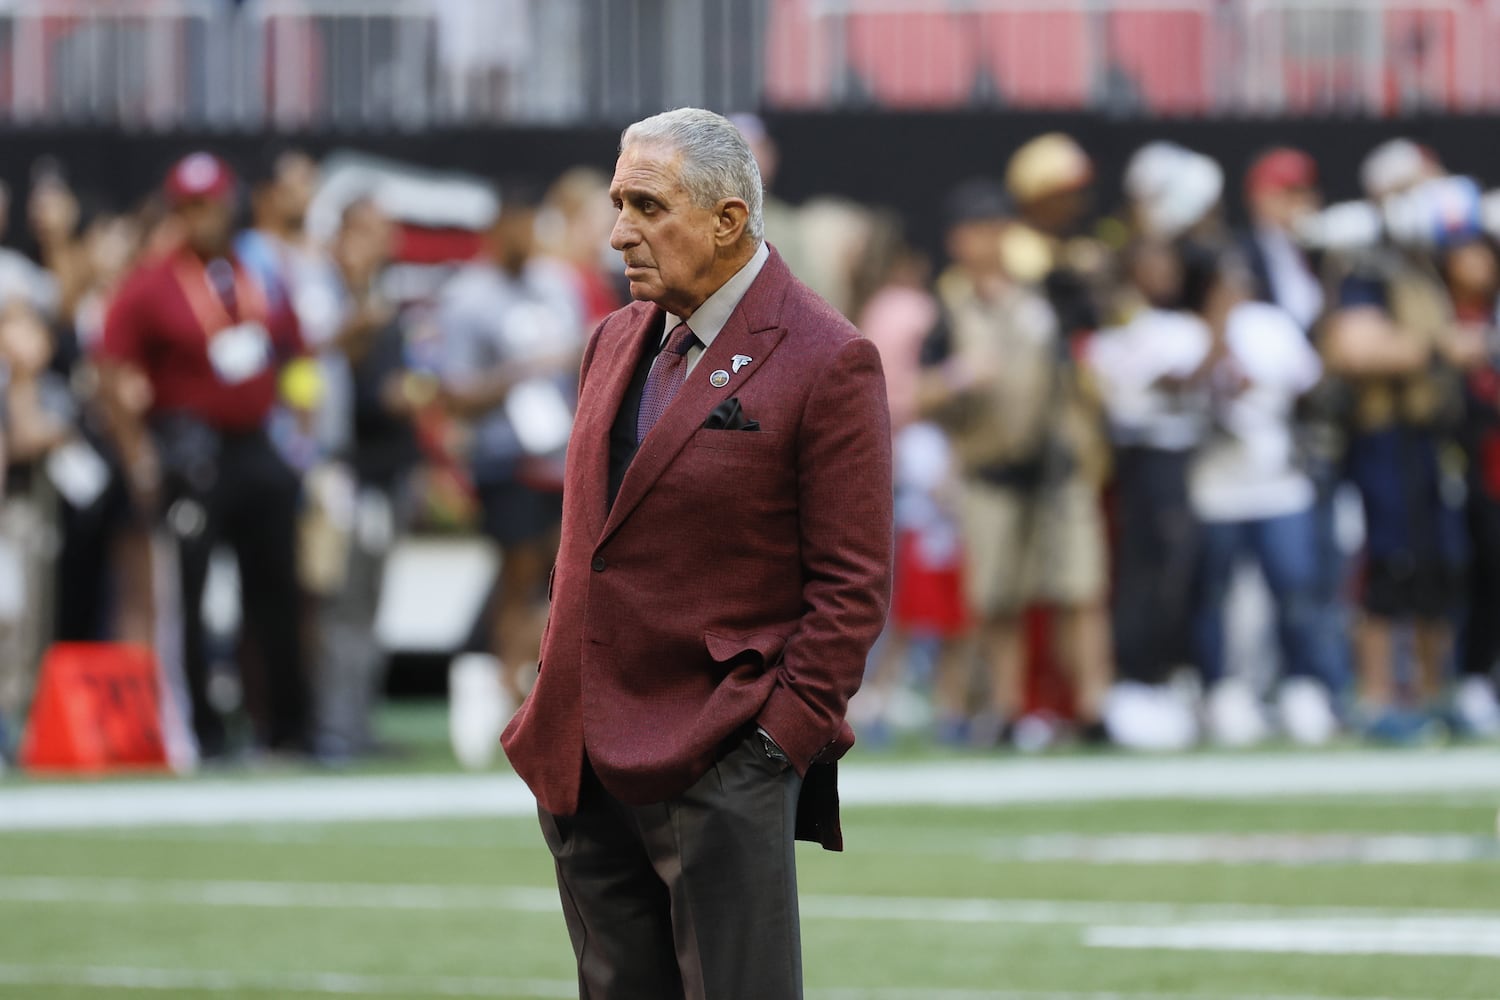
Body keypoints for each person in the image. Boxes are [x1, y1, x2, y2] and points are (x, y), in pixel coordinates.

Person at [501, 108, 893, 999]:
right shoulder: (611, 339)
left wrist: (770, 747)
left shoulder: (831, 357)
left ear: (728, 219)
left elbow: (853, 589)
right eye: (617, 203)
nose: (617, 234)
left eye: (647, 206)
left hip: (723, 754)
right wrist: (551, 696)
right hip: (584, 762)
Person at [97, 152, 310, 762]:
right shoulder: (151, 283)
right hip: (192, 450)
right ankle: (205, 735)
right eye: (189, 207)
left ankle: (285, 728)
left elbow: (295, 353)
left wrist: (299, 431)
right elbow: (112, 368)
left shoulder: (259, 271)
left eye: (210, 203)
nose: (203, 217)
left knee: (275, 586)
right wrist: (137, 452)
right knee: (189, 591)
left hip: (257, 446)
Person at [918, 179, 1111, 747]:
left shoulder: (1047, 291)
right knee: (998, 596)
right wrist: (957, 377)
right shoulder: (950, 307)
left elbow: (1095, 338)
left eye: (999, 227)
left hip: (1058, 463)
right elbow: (915, 392)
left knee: (1078, 587)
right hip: (990, 468)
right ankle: (1003, 708)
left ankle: (1093, 705)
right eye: (981, 229)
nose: (993, 240)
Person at [1178, 243, 1341, 747]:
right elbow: (1182, 391)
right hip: (1216, 484)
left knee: (1294, 588)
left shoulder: (1271, 323)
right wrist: (1217, 341)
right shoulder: (1185, 329)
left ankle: (1303, 687)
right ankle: (1224, 691)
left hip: (1277, 482)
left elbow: (1310, 383)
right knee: (1216, 596)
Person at [437, 180, 583, 712]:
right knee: (518, 567)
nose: (524, 237)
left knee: (562, 574)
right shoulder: (467, 297)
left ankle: (527, 677)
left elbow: (577, 364)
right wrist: (522, 371)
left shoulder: (557, 284)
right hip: (504, 456)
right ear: (496, 232)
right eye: (515, 226)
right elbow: (455, 395)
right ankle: (500, 678)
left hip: (559, 454)